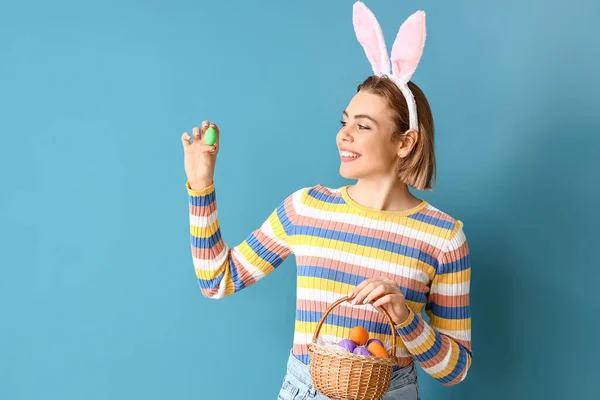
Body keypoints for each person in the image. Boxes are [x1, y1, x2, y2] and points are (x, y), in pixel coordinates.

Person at [180, 2, 471, 399]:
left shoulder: (445, 237)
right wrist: (201, 186)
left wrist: (406, 318)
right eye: (344, 122)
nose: (344, 135)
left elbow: (455, 371)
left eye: (363, 126)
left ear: (405, 142)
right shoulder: (306, 208)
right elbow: (217, 280)